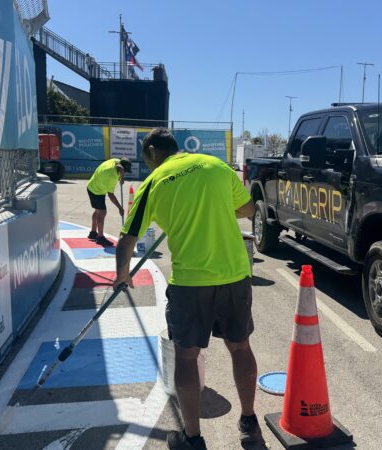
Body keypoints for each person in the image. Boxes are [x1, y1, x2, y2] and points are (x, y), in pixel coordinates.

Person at [114, 129, 260, 450]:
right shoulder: (216, 165)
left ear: (153, 151)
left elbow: (126, 240)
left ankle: (192, 439)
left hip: (191, 284)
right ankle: (249, 423)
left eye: (145, 156)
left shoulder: (154, 183)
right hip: (235, 275)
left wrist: (122, 276)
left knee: (187, 357)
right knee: (240, 347)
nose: (145, 162)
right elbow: (248, 209)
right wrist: (217, 210)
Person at [86, 157, 132, 246]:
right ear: (121, 169)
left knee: (97, 210)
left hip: (93, 184)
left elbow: (120, 168)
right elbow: (111, 195)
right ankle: (100, 238)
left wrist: (122, 177)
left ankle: (93, 233)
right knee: (102, 213)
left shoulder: (115, 161)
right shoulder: (111, 177)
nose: (125, 173)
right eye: (125, 171)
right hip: (96, 191)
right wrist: (120, 208)